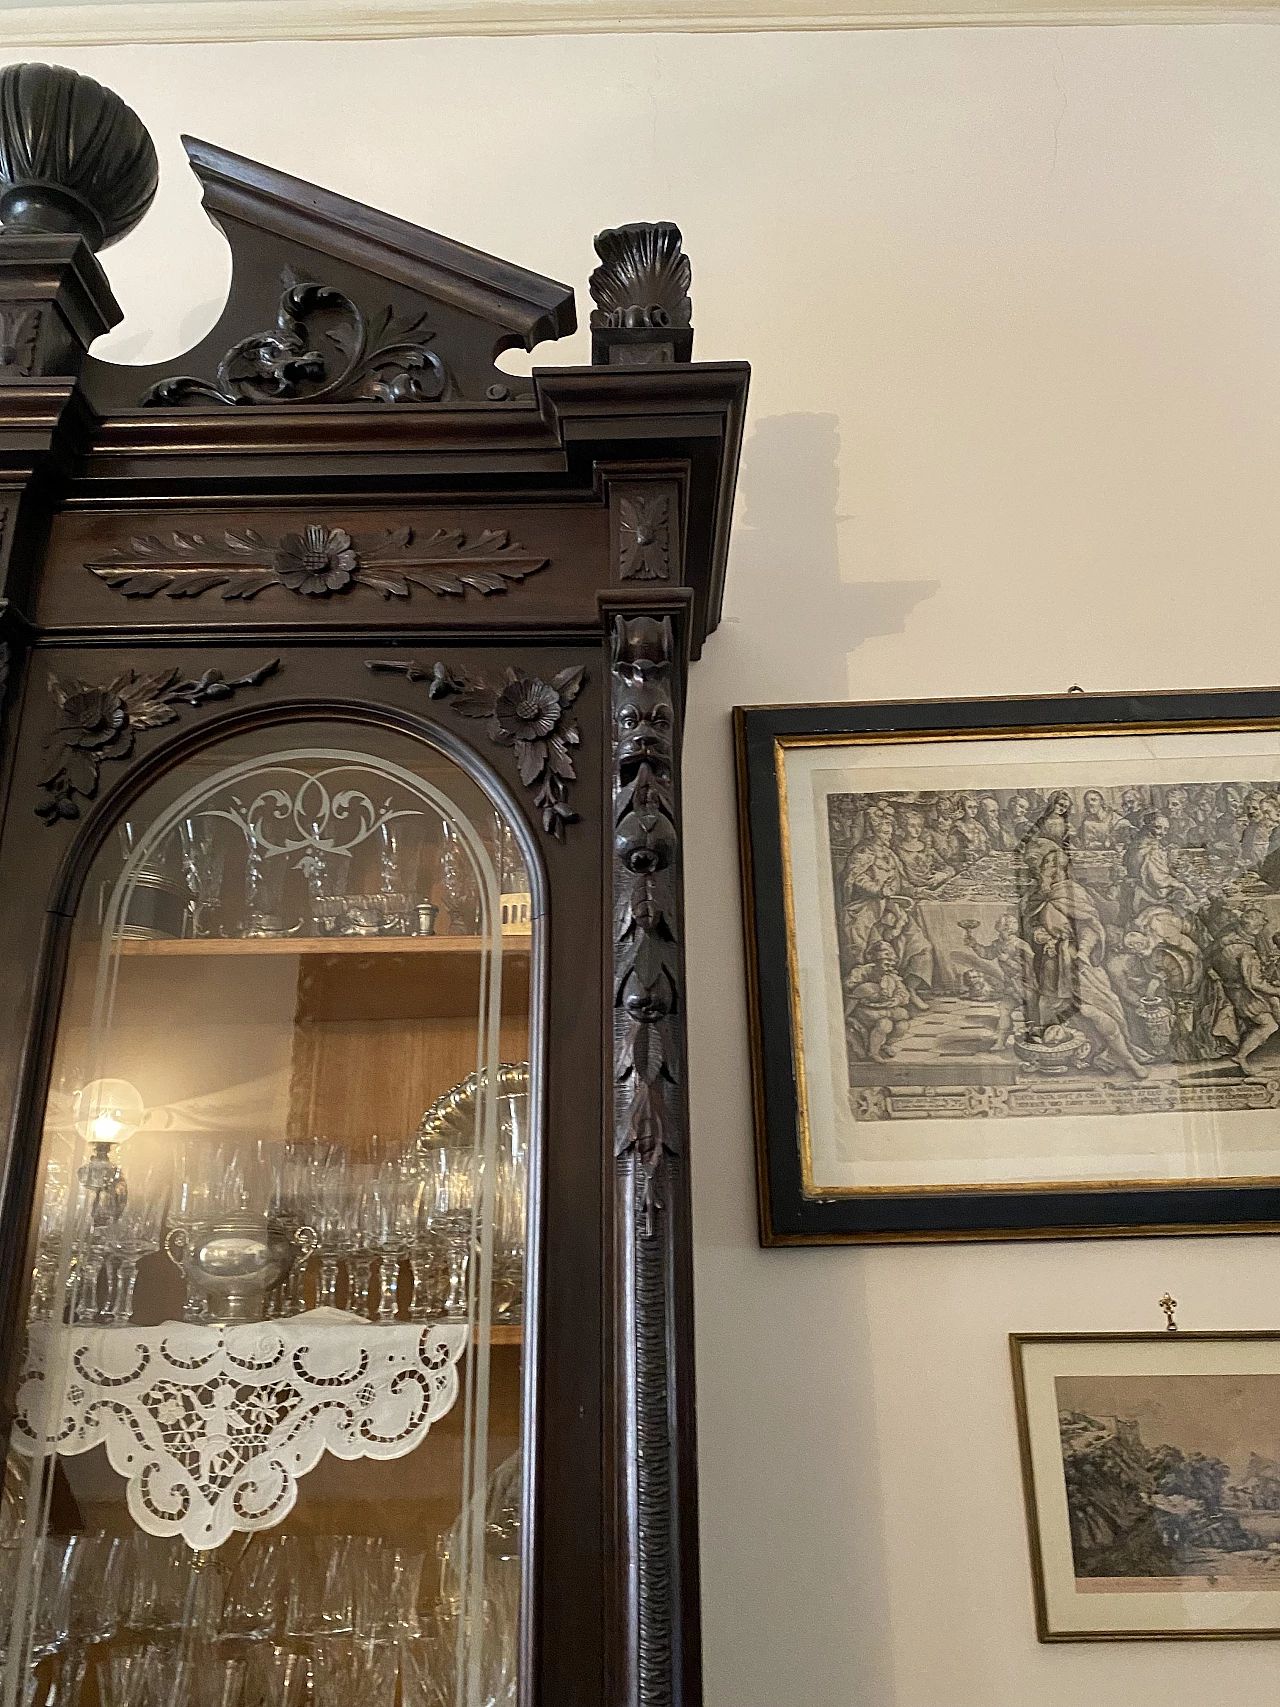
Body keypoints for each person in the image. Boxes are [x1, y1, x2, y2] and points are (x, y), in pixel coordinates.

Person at [1022, 844, 1150, 1078]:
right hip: (1052, 965)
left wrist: (1083, 952)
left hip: (1078, 964)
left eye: (1052, 864)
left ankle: (1127, 1059)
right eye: (1045, 865)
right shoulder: (1038, 896)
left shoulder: (1074, 893)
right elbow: (1031, 927)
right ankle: (1071, 1056)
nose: (1047, 869)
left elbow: (1090, 927)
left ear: (1062, 868)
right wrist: (1039, 934)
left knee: (1104, 1011)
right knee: (1048, 1014)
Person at [1208, 907, 1280, 1076]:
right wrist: (1277, 990)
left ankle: (1242, 1056)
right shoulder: (1247, 952)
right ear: (1255, 928)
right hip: (1245, 996)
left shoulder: (1226, 940)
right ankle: (1241, 1056)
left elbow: (1209, 958)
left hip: (1230, 988)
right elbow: (1256, 983)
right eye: (1261, 925)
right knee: (1270, 1022)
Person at [962, 912, 1034, 1047]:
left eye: (999, 924)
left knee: (1031, 1014)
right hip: (1010, 985)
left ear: (1007, 929)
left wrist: (1009, 961)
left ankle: (1033, 1041)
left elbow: (1033, 967)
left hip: (1027, 986)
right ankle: (1001, 1042)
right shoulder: (998, 944)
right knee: (1004, 1009)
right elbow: (987, 954)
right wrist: (974, 944)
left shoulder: (1021, 945)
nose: (997, 927)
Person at [843, 941, 913, 1062]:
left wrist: (896, 1000)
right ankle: (873, 1052)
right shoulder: (862, 972)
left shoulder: (892, 976)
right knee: (885, 1025)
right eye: (886, 963)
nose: (889, 966)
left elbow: (903, 993)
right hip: (864, 1008)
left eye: (891, 962)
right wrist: (867, 989)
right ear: (876, 960)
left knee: (902, 1025)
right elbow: (849, 987)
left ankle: (886, 1045)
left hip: (885, 1007)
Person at [870, 895, 934, 1010]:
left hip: (903, 945)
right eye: (895, 905)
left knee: (925, 950)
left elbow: (915, 937)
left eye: (900, 906)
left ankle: (911, 990)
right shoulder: (883, 919)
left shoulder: (905, 918)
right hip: (882, 947)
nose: (898, 908)